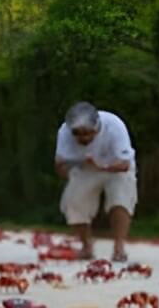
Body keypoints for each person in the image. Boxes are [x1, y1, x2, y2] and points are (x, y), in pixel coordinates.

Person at [54, 101, 137, 262]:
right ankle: (86, 247)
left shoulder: (114, 126)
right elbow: (60, 164)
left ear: (97, 126)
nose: (82, 138)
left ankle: (119, 248)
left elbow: (125, 164)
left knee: (121, 199)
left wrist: (101, 166)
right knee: (73, 202)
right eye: (77, 134)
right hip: (84, 167)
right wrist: (68, 174)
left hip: (116, 166)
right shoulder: (64, 132)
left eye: (87, 133)